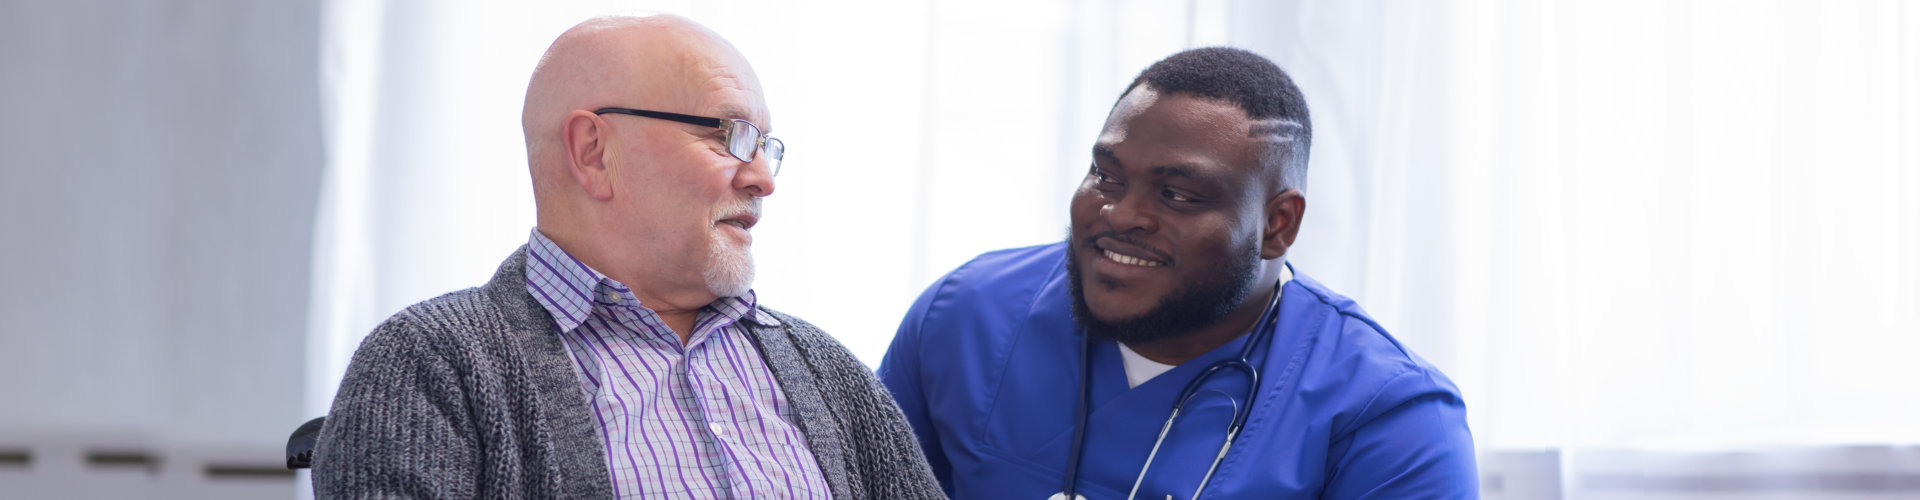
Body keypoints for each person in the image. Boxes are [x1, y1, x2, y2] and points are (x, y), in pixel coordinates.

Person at [314, 14, 942, 499]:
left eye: (767, 146)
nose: (762, 179)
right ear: (593, 151)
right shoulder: (431, 362)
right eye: (728, 135)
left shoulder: (829, 373)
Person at [878, 47, 1478, 499]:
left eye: (1177, 194)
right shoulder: (964, 316)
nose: (1120, 215)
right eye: (1106, 177)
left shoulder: (1388, 415)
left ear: (1278, 224)